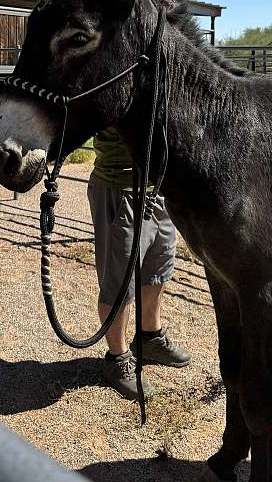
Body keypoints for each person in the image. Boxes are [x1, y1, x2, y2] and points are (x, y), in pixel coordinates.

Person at [88, 126, 191, 400]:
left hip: (157, 187)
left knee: (159, 268)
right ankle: (118, 358)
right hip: (120, 186)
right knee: (119, 280)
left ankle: (149, 336)